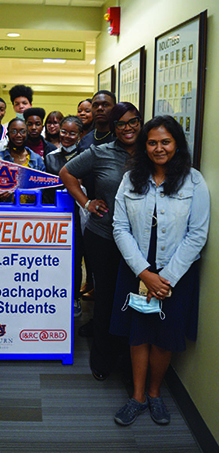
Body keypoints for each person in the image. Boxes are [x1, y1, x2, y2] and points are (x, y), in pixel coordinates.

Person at [111, 115, 210, 426]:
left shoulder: (194, 181)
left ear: (177, 144)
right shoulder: (131, 179)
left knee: (164, 336)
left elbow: (198, 233)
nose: (158, 148)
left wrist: (164, 279)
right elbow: (119, 227)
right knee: (138, 334)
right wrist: (144, 273)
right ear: (144, 146)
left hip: (174, 274)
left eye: (165, 141)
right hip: (137, 269)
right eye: (152, 142)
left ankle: (155, 394)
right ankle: (137, 397)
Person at [59, 102, 143, 380]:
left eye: (133, 121)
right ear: (113, 127)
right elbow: (66, 174)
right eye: (121, 124)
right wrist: (86, 202)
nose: (128, 128)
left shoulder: (150, 152)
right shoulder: (100, 151)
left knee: (133, 299)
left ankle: (130, 360)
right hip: (103, 237)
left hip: (140, 240)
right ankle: (103, 360)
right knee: (106, 299)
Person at [77, 91, 117, 309]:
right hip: (92, 213)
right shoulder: (85, 141)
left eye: (106, 105)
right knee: (94, 267)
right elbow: (72, 173)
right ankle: (97, 322)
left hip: (117, 214)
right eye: (96, 105)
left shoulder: (120, 138)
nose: (100, 108)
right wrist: (86, 202)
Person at [45, 115, 84, 317]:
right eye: (63, 131)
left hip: (81, 213)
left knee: (76, 258)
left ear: (79, 135)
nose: (67, 136)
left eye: (72, 133)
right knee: (56, 257)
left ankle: (74, 297)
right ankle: (55, 295)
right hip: (57, 214)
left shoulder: (86, 155)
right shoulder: (51, 156)